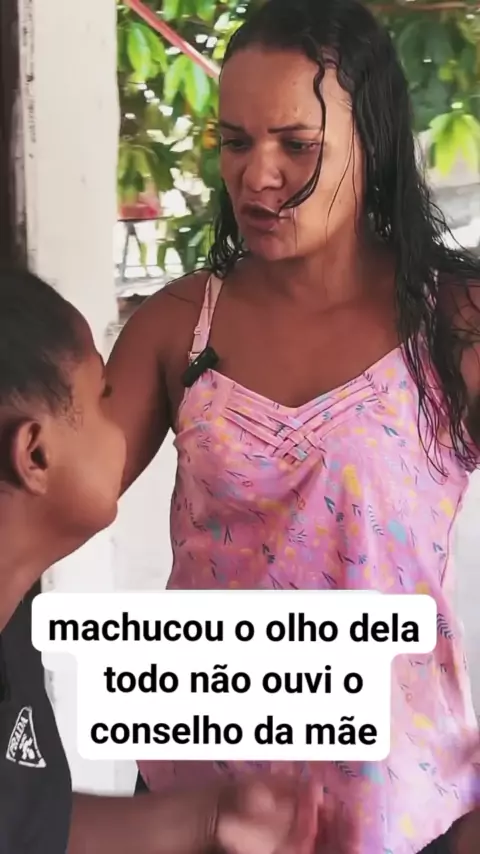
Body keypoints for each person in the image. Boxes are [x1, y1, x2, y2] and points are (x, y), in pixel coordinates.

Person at [106, 0, 480, 850]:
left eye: (297, 145)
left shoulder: (452, 324)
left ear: (373, 143)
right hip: (196, 804)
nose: (257, 176)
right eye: (236, 142)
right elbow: (49, 495)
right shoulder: (179, 326)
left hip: (396, 809)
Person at [0, 266, 321, 854]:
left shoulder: (13, 631)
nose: (124, 426)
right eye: (103, 397)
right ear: (35, 454)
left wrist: (212, 820)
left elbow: (26, 821)